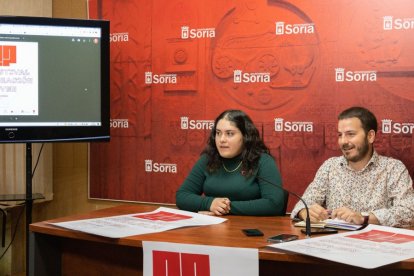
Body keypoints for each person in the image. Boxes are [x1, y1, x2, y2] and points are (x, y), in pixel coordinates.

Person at [291, 106, 414, 227]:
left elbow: (409, 212)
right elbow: (302, 204)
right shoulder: (330, 167)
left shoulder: (393, 169)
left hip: (376, 244)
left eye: (350, 134)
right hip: (333, 242)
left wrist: (364, 218)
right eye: (340, 135)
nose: (343, 141)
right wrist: (305, 212)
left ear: (370, 136)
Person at [176, 109, 285, 216]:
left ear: (245, 136)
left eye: (229, 134)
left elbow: (274, 204)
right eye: (218, 133)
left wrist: (226, 208)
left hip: (251, 227)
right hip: (212, 228)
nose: (222, 139)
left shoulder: (262, 161)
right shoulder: (208, 159)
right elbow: (182, 196)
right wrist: (209, 203)